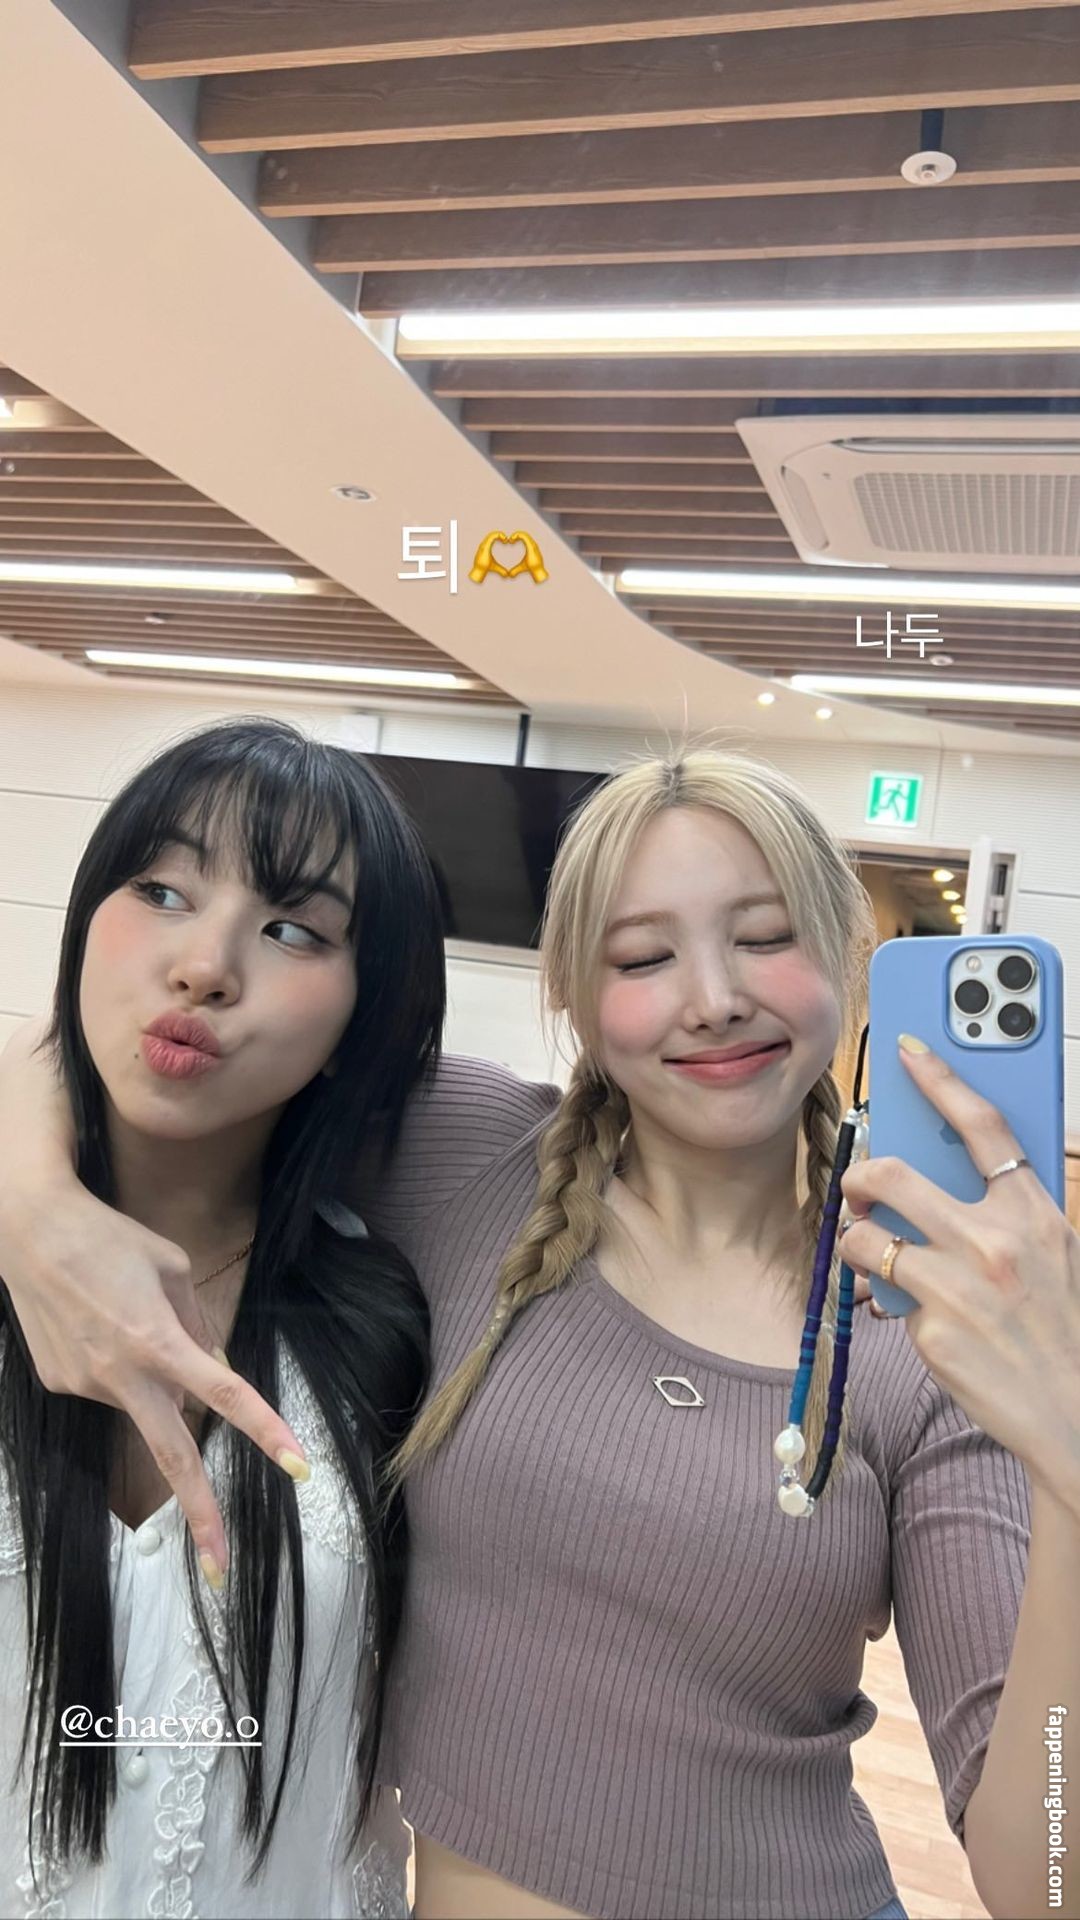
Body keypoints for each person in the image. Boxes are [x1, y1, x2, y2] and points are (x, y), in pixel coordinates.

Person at [2, 746, 1079, 1920]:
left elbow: (1043, 1875)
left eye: (766, 938)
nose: (714, 997)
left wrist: (1069, 1451)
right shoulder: (467, 1156)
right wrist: (34, 1204)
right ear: (571, 993)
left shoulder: (924, 1323)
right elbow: (141, 1039)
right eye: (644, 956)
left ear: (845, 959)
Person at [0, 717, 446, 1917]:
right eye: (160, 889)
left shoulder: (390, 1325)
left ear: (367, 1009)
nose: (205, 965)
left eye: (295, 929)